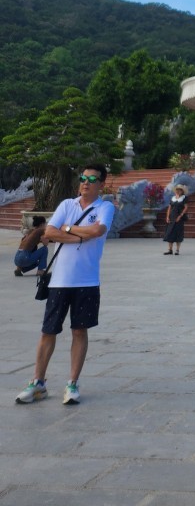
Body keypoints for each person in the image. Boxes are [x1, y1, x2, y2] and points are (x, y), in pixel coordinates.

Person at [15, 166, 115, 406]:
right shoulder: (66, 205)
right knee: (48, 331)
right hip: (59, 281)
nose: (86, 183)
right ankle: (38, 382)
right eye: (83, 178)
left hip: (87, 281)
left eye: (92, 179)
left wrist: (67, 229)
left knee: (79, 331)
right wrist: (81, 235)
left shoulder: (104, 207)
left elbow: (98, 230)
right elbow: (48, 232)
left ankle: (72, 383)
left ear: (101, 183)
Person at [163, 184, 189, 256]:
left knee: (178, 233)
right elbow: (169, 208)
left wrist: (180, 216)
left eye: (179, 190)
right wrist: (167, 217)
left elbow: (186, 207)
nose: (178, 191)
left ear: (182, 191)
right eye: (177, 190)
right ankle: (170, 250)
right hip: (172, 217)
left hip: (179, 218)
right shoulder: (172, 198)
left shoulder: (184, 198)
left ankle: (177, 250)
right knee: (170, 233)